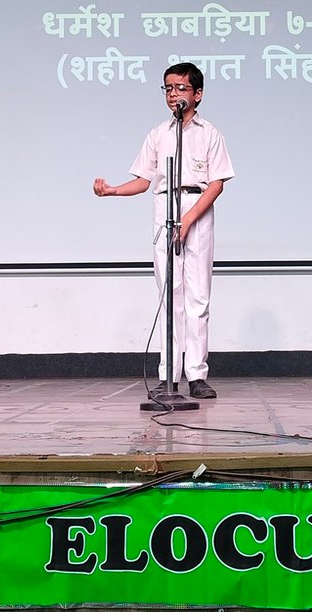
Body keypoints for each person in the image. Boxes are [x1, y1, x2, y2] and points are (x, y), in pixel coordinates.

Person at [92, 62, 235, 400]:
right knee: (170, 296)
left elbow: (217, 183)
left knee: (198, 297)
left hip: (196, 207)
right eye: (168, 88)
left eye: (181, 88)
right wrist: (112, 191)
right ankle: (168, 375)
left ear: (198, 94)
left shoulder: (209, 133)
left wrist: (188, 220)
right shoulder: (159, 134)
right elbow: (144, 180)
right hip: (164, 206)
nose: (173, 94)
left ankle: (196, 374)